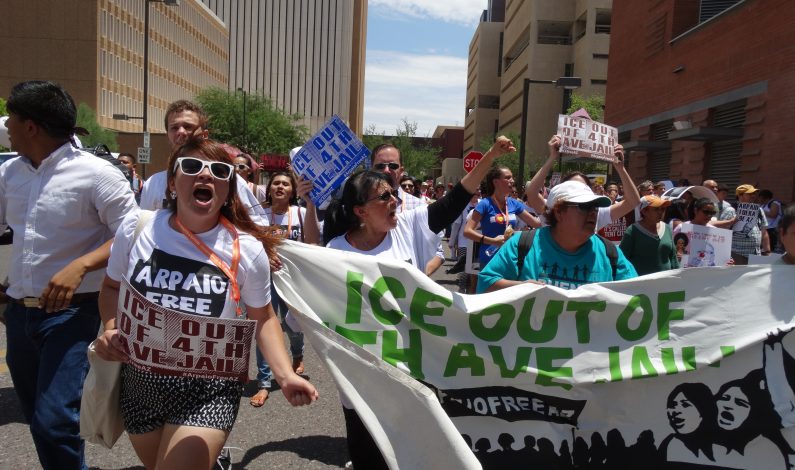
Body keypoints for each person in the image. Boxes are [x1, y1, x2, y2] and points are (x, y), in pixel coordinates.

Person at [94, 136, 317, 469]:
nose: (206, 175)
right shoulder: (137, 228)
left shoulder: (247, 249)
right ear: (173, 182)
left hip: (209, 388)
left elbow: (264, 317)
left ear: (227, 189)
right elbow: (111, 288)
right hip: (140, 384)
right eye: (193, 166)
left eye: (218, 170)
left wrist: (285, 376)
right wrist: (112, 328)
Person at [324, 136, 518, 470]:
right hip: (362, 376)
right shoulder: (334, 253)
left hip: (413, 365)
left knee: (415, 453)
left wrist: (491, 155)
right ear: (360, 211)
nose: (394, 201)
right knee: (369, 456)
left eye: (393, 193)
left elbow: (456, 199)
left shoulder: (409, 225)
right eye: (384, 197)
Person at [0, 80, 138, 469]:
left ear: (31, 127)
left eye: (11, 118)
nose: (6, 126)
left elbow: (132, 236)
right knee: (37, 419)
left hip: (72, 314)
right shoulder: (10, 174)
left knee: (55, 420)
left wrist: (81, 266)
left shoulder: (99, 175)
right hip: (18, 314)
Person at [478, 181, 638, 293]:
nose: (593, 212)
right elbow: (484, 285)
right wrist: (520, 288)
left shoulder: (610, 253)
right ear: (558, 212)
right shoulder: (521, 245)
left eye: (594, 207)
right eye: (584, 206)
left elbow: (640, 295)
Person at [250, 169, 320, 407]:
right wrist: (264, 255)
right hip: (264, 278)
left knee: (292, 324)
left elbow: (312, 242)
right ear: (269, 189)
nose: (280, 187)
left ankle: (297, 353)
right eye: (275, 183)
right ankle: (264, 382)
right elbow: (248, 242)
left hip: (292, 280)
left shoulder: (300, 213)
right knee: (265, 327)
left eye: (285, 184)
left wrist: (310, 205)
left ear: (292, 191)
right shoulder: (259, 215)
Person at [138, 100, 264, 221]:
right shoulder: (153, 184)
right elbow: (144, 225)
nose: (181, 132)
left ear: (204, 135)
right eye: (174, 128)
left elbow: (257, 222)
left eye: (188, 127)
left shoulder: (229, 181)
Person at [525, 135, 641, 239]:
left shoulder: (597, 213)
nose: (591, 213)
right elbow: (532, 193)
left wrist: (620, 168)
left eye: (583, 187)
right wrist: (552, 157)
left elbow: (632, 202)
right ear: (558, 213)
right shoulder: (551, 208)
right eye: (573, 187)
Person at [370, 142, 443, 274]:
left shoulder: (419, 206)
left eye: (393, 166)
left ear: (401, 171)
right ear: (371, 169)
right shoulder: (359, 207)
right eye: (380, 166)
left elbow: (438, 252)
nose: (386, 170)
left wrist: (415, 278)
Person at [463, 165, 542, 269]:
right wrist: (493, 241)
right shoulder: (485, 204)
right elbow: (467, 231)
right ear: (495, 182)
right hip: (489, 259)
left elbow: (537, 224)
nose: (512, 180)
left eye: (512, 177)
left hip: (510, 257)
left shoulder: (515, 204)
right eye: (507, 177)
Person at [660, 383, 716, 466]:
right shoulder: (673, 445)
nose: (675, 410)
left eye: (685, 404)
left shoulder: (718, 446)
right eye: (672, 405)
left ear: (703, 409)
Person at [620, 195, 679, 275]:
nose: (660, 212)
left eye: (662, 209)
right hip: (641, 284)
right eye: (656, 209)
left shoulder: (667, 228)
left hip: (666, 282)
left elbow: (673, 258)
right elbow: (622, 260)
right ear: (644, 211)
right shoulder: (632, 231)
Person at [730, 184, 770, 264]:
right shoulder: (732, 209)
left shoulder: (759, 210)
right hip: (736, 253)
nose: (753, 196)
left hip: (755, 253)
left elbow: (764, 231)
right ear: (740, 196)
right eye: (749, 194)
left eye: (754, 194)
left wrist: (767, 250)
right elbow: (723, 229)